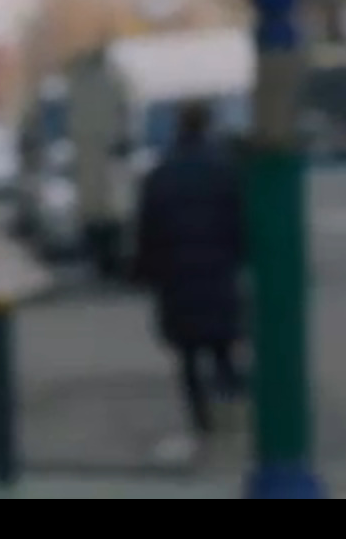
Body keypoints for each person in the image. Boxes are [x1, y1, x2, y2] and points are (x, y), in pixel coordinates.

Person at [134, 101, 247, 457]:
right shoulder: (225, 170)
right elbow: (241, 223)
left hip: (177, 277)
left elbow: (147, 231)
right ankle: (230, 408)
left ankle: (201, 420)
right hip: (217, 272)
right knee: (222, 347)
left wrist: (147, 272)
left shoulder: (161, 174)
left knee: (188, 356)